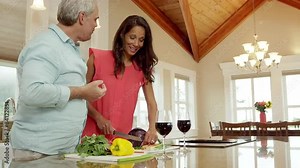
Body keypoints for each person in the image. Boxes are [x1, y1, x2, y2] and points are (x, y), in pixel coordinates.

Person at [10, 0, 106, 160]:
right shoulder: (47, 45)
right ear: (82, 17)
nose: (96, 25)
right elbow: (32, 92)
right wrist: (82, 92)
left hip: (57, 152)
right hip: (38, 153)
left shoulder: (68, 47)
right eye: (95, 19)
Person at [82, 15, 159, 145]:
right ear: (122, 35)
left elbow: (152, 104)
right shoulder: (97, 59)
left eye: (141, 40)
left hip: (122, 141)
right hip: (92, 139)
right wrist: (98, 117)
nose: (136, 44)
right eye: (132, 37)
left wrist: (152, 129)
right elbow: (81, 95)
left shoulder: (142, 69)